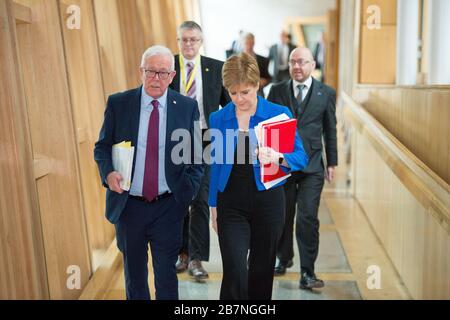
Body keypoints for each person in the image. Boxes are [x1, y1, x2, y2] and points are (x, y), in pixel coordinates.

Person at [94, 45, 204, 300]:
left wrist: (187, 193)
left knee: (166, 275)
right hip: (129, 205)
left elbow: (197, 156)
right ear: (140, 72)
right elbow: (102, 147)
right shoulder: (119, 103)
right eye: (150, 72)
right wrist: (108, 173)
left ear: (172, 76)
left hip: (169, 205)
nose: (156, 78)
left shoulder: (186, 107)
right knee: (135, 276)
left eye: (163, 73)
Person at [208, 53, 308, 300]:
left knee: (262, 271)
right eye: (232, 93)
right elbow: (216, 164)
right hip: (230, 201)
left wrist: (278, 157)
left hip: (269, 201)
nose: (238, 99)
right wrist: (212, 205)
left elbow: (301, 157)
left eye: (245, 92)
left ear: (257, 85)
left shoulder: (279, 114)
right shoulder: (218, 118)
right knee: (234, 269)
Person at [267, 47, 337, 290]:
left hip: (312, 166)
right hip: (283, 166)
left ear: (312, 64)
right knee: (283, 216)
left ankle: (308, 272)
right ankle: (283, 258)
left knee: (307, 218)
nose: (297, 66)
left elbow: (330, 129)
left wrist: (333, 163)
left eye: (303, 62)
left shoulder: (326, 93)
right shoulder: (276, 90)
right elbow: (268, 125)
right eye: (293, 62)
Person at [170, 21, 230, 280]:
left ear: (201, 41)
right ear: (178, 41)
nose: (189, 44)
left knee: (201, 199)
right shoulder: (168, 66)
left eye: (194, 39)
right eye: (184, 40)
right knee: (179, 199)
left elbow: (227, 106)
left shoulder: (216, 68)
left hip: (206, 140)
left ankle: (196, 258)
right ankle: (181, 252)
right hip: (175, 141)